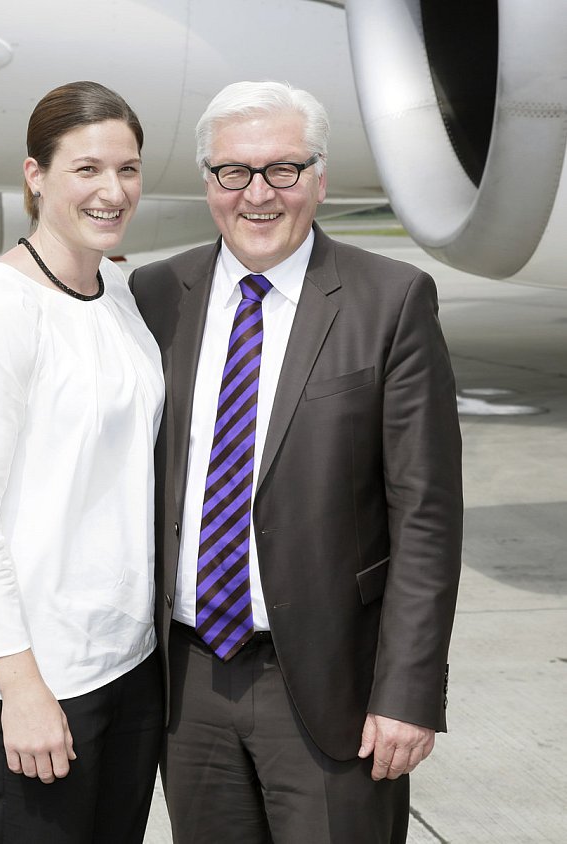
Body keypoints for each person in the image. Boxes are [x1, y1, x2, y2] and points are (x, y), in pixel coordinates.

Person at [129, 80, 463, 843]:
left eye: (283, 169)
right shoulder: (155, 293)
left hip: (329, 685)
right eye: (234, 172)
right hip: (188, 687)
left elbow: (427, 517)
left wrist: (408, 691)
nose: (259, 194)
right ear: (208, 181)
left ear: (318, 177)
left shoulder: (391, 300)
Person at [0, 81, 165, 844]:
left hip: (124, 665)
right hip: (32, 677)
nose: (113, 190)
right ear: (36, 175)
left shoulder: (119, 291)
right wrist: (21, 688)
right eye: (86, 169)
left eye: (127, 170)